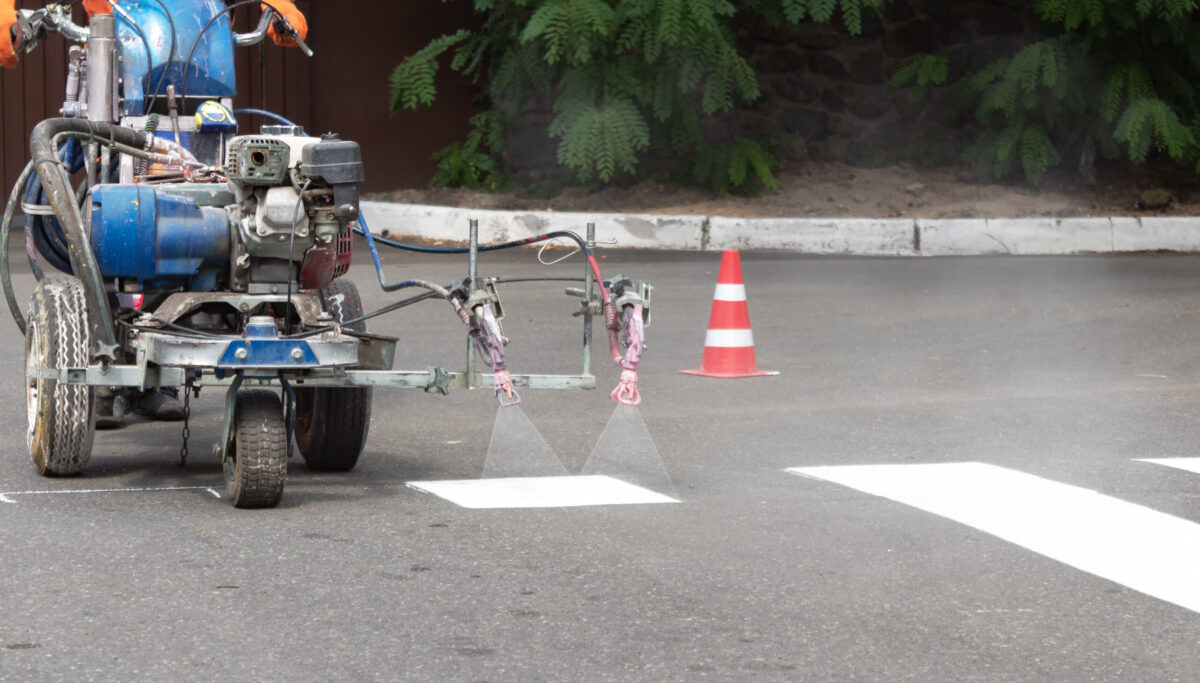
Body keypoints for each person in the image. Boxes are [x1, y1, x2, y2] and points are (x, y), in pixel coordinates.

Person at [2, 0, 308, 426]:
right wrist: (10, 18)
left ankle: (159, 375)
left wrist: (281, 11)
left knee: (215, 196)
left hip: (201, 88)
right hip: (118, 89)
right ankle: (104, 367)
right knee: (110, 218)